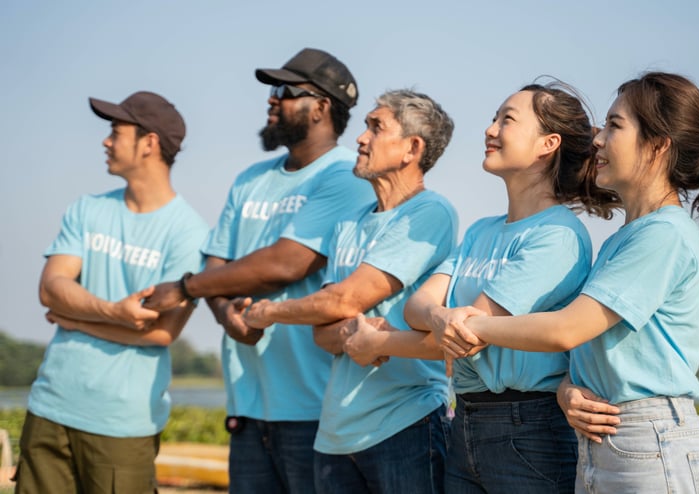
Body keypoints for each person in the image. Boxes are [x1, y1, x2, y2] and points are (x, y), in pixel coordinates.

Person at [444, 72, 699, 493]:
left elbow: (566, 328)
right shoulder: (623, 238)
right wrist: (567, 391)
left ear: (658, 145)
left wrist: (468, 325)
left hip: (650, 448)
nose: (597, 139)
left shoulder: (665, 234)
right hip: (606, 445)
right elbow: (591, 350)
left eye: (615, 126)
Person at [143, 48, 373, 493]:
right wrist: (223, 312)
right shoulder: (250, 178)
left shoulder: (345, 176)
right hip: (247, 406)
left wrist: (186, 288)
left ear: (322, 107)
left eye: (284, 90)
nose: (272, 100)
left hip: (315, 407)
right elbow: (218, 263)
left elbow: (286, 264)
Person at [396, 80, 618, 493]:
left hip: (530, 432)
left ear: (547, 144)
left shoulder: (558, 235)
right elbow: (416, 306)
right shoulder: (481, 230)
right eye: (494, 118)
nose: (490, 129)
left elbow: (471, 332)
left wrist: (433, 319)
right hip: (464, 422)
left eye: (506, 120)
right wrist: (438, 315)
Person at [242, 89, 457, 494]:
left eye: (376, 128)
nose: (361, 138)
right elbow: (322, 332)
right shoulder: (348, 225)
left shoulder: (430, 213)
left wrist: (268, 313)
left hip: (406, 425)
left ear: (412, 148)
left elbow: (343, 301)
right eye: (365, 127)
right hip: (335, 435)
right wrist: (353, 336)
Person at [14, 91, 209, 494]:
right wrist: (114, 313)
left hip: (123, 425)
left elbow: (160, 332)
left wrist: (74, 318)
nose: (106, 141)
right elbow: (51, 288)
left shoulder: (190, 232)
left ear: (149, 144)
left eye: (115, 132)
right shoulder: (87, 209)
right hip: (49, 408)